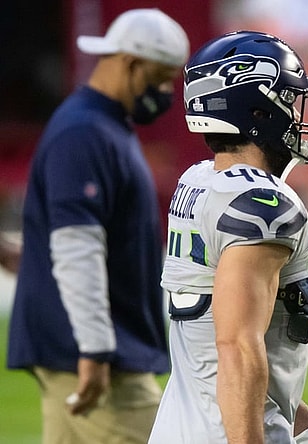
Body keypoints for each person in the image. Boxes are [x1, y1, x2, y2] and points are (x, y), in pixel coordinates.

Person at [147, 30, 308, 444]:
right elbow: (236, 347)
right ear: (257, 111)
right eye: (287, 100)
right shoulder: (261, 204)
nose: (296, 114)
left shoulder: (199, 180)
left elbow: (242, 359)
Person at [5, 8, 189, 444]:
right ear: (129, 62)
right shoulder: (86, 133)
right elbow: (76, 245)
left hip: (87, 351)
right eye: (160, 76)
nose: (164, 91)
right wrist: (95, 348)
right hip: (99, 359)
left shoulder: (95, 126)